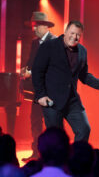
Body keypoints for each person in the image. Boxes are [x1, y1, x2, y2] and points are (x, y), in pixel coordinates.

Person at [32, 21, 99, 142]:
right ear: (65, 32)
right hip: (51, 100)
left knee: (84, 129)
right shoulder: (49, 46)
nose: (74, 37)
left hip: (72, 100)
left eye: (78, 35)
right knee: (57, 138)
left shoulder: (82, 51)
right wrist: (41, 95)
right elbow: (37, 71)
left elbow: (84, 75)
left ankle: (75, 158)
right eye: (72, 33)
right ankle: (59, 160)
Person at [21, 11, 56, 162]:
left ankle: (51, 154)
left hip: (50, 90)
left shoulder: (55, 42)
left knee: (50, 122)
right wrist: (25, 70)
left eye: (36, 26)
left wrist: (32, 71)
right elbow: (31, 62)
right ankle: (36, 152)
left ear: (44, 26)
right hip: (37, 90)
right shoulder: (35, 43)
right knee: (35, 120)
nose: (33, 29)